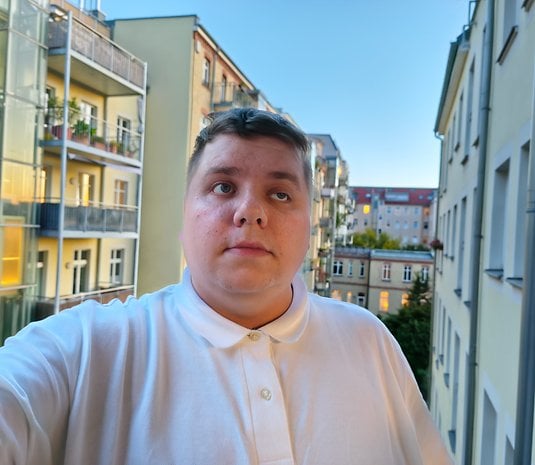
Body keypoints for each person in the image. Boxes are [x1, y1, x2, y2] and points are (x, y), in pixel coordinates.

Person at [0, 108, 452, 465]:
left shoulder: (368, 341)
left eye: (279, 194)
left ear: (309, 228)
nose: (250, 212)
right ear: (184, 216)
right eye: (222, 186)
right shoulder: (88, 349)